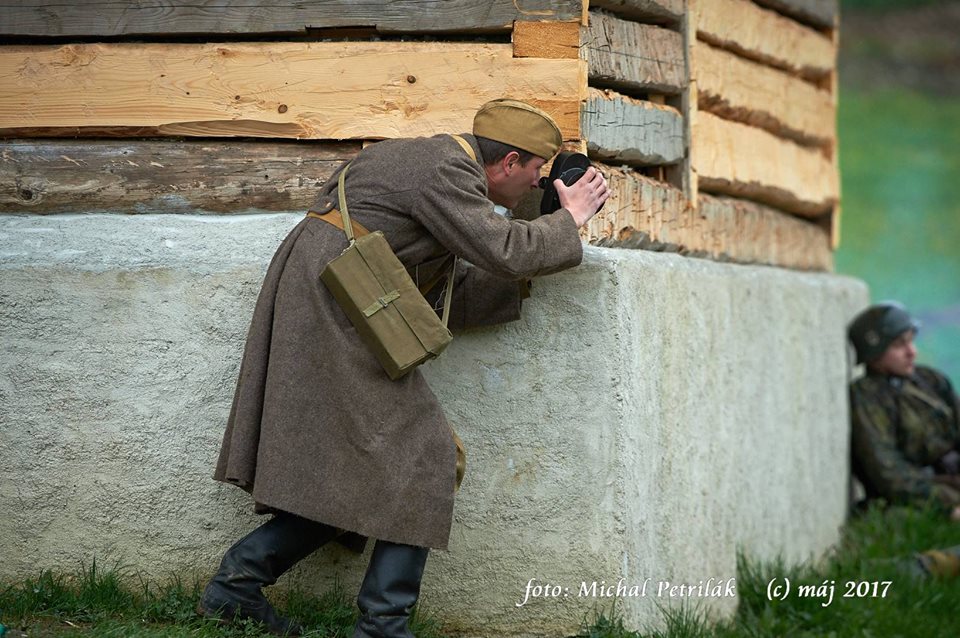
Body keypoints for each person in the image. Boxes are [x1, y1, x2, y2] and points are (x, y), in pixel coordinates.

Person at [197, 98, 609, 636]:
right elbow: (503, 250)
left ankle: (237, 589)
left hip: (342, 299)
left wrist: (549, 226)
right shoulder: (445, 170)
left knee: (357, 466)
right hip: (336, 308)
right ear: (508, 162)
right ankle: (381, 627)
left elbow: (455, 270)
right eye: (536, 173)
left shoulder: (439, 164)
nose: (537, 186)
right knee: (425, 456)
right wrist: (571, 218)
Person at [847, 302, 960, 521]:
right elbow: (888, 473)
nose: (912, 352)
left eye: (911, 341)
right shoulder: (868, 396)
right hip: (918, 494)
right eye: (899, 345)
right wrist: (948, 504)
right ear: (874, 354)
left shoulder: (929, 379)